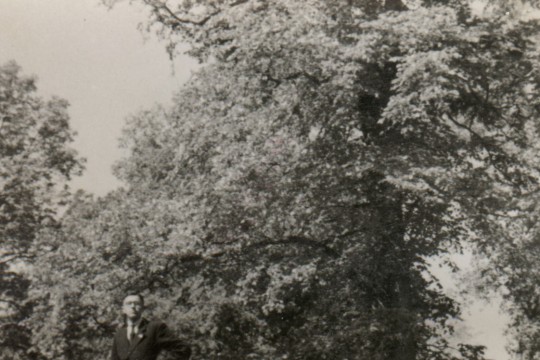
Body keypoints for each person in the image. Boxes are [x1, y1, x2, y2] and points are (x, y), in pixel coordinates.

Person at [111, 292, 191, 360]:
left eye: (136, 303)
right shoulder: (119, 334)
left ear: (143, 308)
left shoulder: (154, 328)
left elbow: (183, 348)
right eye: (129, 304)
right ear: (123, 309)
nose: (133, 306)